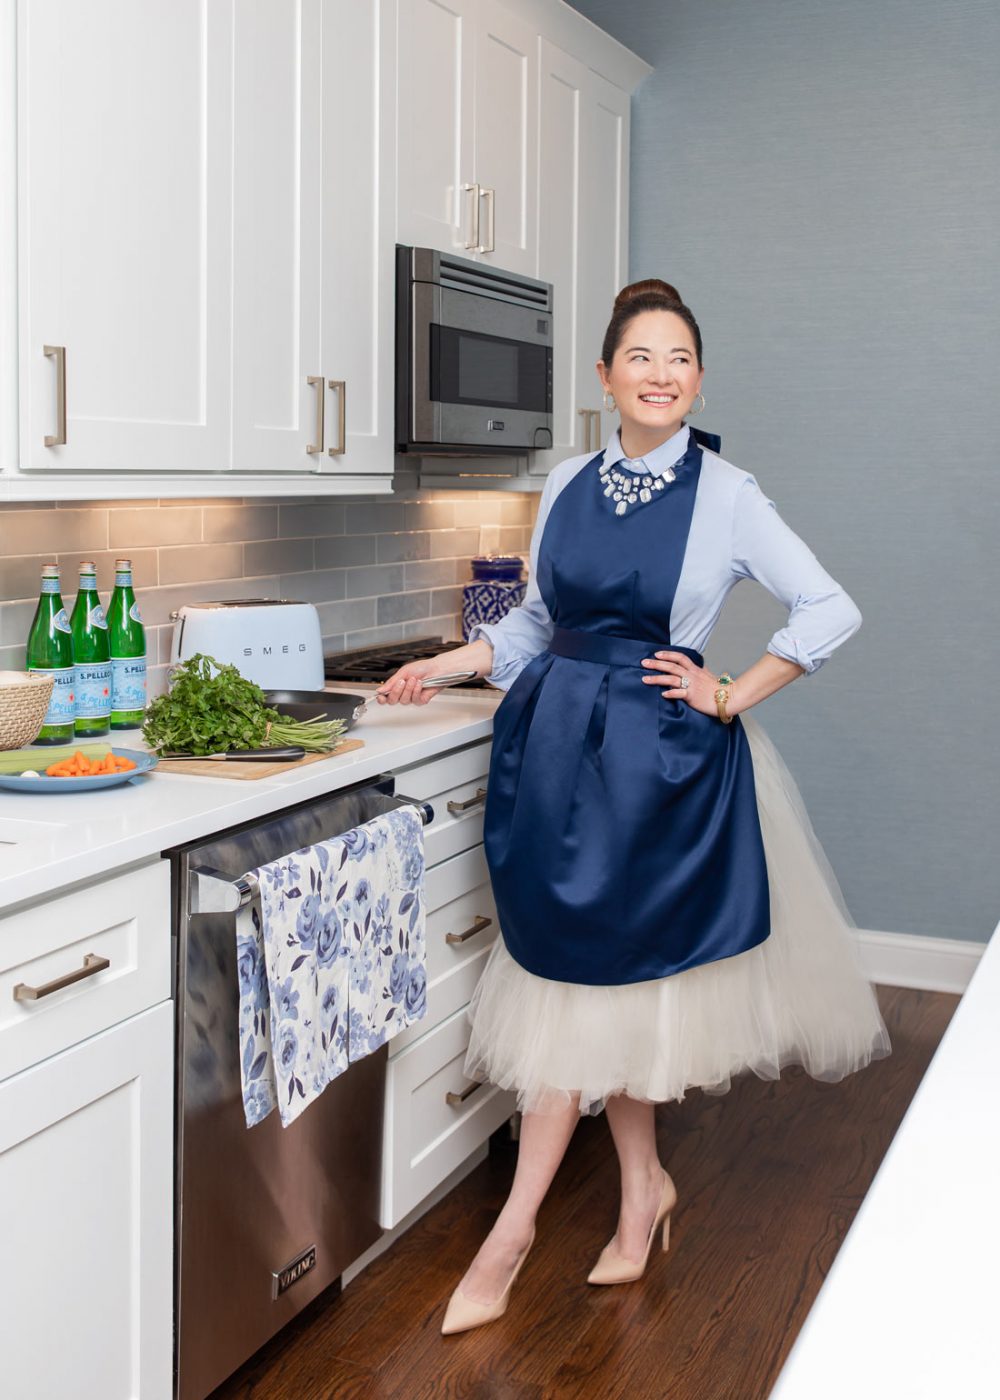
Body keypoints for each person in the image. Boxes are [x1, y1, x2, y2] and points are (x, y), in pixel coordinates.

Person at [375, 279, 891, 1336]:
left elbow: (829, 604)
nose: (661, 374)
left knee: (597, 988)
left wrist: (733, 690)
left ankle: (510, 1233)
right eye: (641, 356)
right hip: (555, 750)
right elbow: (529, 627)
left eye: (680, 358)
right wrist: (446, 659)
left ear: (698, 379)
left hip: (656, 769)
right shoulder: (564, 479)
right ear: (605, 376)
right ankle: (642, 1189)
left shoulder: (728, 492)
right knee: (604, 990)